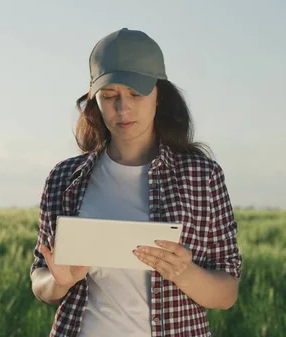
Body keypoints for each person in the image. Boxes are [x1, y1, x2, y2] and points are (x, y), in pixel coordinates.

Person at [29, 28, 242, 337]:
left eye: (135, 94)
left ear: (160, 97)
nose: (122, 109)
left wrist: (185, 273)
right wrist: (59, 281)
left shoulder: (202, 176)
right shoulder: (64, 178)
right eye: (109, 96)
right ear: (94, 100)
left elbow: (227, 293)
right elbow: (40, 279)